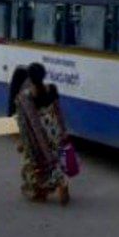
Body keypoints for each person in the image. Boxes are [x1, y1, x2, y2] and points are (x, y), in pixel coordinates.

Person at [11, 63, 71, 205]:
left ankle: (44, 189)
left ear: (30, 78)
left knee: (37, 163)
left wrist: (39, 144)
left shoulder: (26, 96)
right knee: (57, 159)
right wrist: (63, 131)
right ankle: (60, 184)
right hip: (54, 128)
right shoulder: (52, 88)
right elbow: (58, 112)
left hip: (41, 134)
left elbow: (33, 122)